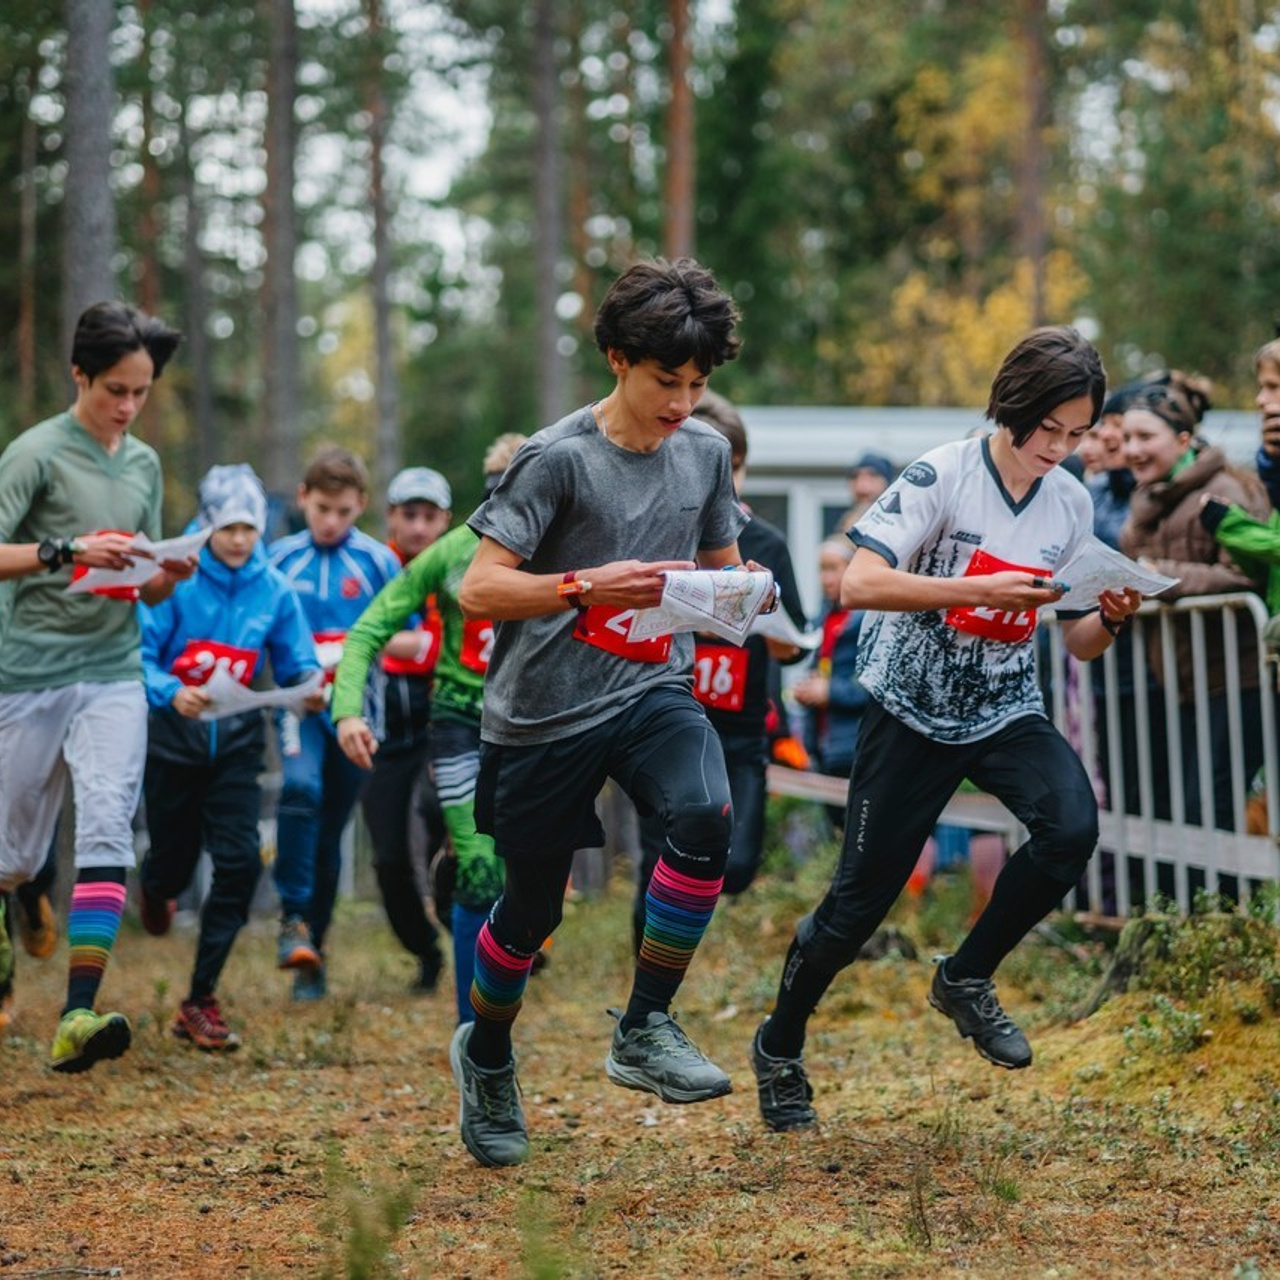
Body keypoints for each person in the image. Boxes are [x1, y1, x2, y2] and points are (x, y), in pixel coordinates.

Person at [749, 326, 1143, 1132]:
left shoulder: (1068, 502)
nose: (1061, 451)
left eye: (1078, 436)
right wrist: (978, 591)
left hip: (1003, 707)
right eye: (1050, 431)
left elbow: (1075, 641)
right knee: (855, 909)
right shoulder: (943, 472)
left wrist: (1110, 617)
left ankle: (964, 977)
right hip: (909, 711)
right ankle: (779, 1046)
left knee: (1071, 829)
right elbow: (860, 580)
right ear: (1014, 407)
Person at [449, 257, 752, 1168]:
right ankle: (489, 1056)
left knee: (705, 814)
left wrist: (741, 596)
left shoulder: (704, 452)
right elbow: (478, 591)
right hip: (542, 713)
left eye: (698, 385)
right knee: (533, 910)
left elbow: (721, 568)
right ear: (618, 360)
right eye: (668, 381)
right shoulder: (556, 459)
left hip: (651, 688)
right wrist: (583, 586)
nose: (683, 404)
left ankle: (645, 1028)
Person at [0, 300, 195, 1072]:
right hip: (30, 672)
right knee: (9, 856)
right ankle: (20, 909)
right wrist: (66, 550)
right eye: (114, 390)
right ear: (79, 376)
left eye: (140, 393)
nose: (126, 407)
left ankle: (76, 1016)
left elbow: (143, 584)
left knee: (110, 823)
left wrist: (164, 572)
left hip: (113, 671)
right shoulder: (35, 454)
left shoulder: (142, 464)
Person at [334, 436, 526, 1024]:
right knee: (476, 864)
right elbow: (365, 632)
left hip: (538, 728)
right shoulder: (450, 554)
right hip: (462, 724)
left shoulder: (569, 550)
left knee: (524, 872)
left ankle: (503, 968)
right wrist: (347, 711)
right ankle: (478, 1030)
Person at [137, 465, 323, 1050]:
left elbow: (296, 665)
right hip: (173, 743)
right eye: (228, 527)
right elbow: (136, 656)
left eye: (249, 527)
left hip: (238, 746)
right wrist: (171, 691)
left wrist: (311, 688)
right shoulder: (177, 580)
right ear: (207, 523)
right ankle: (156, 886)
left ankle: (200, 998)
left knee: (240, 862)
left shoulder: (273, 589)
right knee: (173, 861)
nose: (240, 539)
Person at [629, 391, 807, 949]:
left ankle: (678, 931)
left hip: (741, 726)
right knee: (660, 850)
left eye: (729, 469)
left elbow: (795, 639)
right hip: (667, 716)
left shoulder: (767, 543)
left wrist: (773, 637)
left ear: (743, 468)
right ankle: (650, 979)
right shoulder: (661, 531)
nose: (718, 480)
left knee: (739, 862)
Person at [268, 447, 400, 999]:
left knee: (329, 833)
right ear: (303, 499)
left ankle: (312, 953)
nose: (331, 521)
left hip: (359, 714)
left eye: (344, 512)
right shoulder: (276, 561)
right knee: (299, 790)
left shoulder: (378, 562)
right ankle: (292, 919)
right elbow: (257, 640)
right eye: (322, 508)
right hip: (301, 709)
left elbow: (411, 635)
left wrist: (351, 651)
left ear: (361, 507)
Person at [1119, 381, 1269, 832]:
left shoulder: (1225, 491)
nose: (1131, 450)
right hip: (1179, 681)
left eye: (1145, 437)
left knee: (1211, 801)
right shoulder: (1146, 501)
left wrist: (1157, 577)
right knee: (1180, 808)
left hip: (1235, 678)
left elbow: (1247, 578)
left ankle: (1222, 903)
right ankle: (1194, 902)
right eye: (1127, 438)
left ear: (1184, 440)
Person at [358, 466, 453, 994]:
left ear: (445, 521)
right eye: (408, 515)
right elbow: (353, 633)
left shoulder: (458, 572)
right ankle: (424, 949)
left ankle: (495, 937)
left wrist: (398, 645)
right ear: (391, 517)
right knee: (390, 855)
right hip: (384, 730)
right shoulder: (374, 569)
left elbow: (449, 648)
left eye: (429, 516)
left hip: (446, 725)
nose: (418, 527)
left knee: (457, 832)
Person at [836, 453, 894, 534]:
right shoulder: (847, 519)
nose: (861, 487)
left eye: (872, 476)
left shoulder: (897, 520)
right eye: (854, 477)